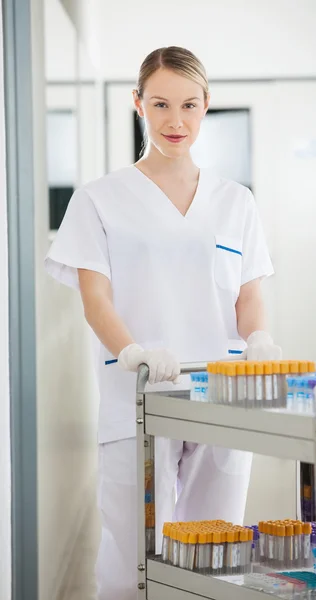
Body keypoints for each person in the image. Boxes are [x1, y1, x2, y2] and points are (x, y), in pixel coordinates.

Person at [45, 46, 281, 600]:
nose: (176, 121)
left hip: (220, 395)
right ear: (138, 104)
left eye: (189, 105)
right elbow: (95, 298)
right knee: (134, 562)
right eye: (160, 104)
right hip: (137, 393)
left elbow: (248, 294)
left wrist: (259, 338)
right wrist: (133, 351)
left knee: (215, 554)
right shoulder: (99, 199)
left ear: (206, 107)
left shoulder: (236, 202)